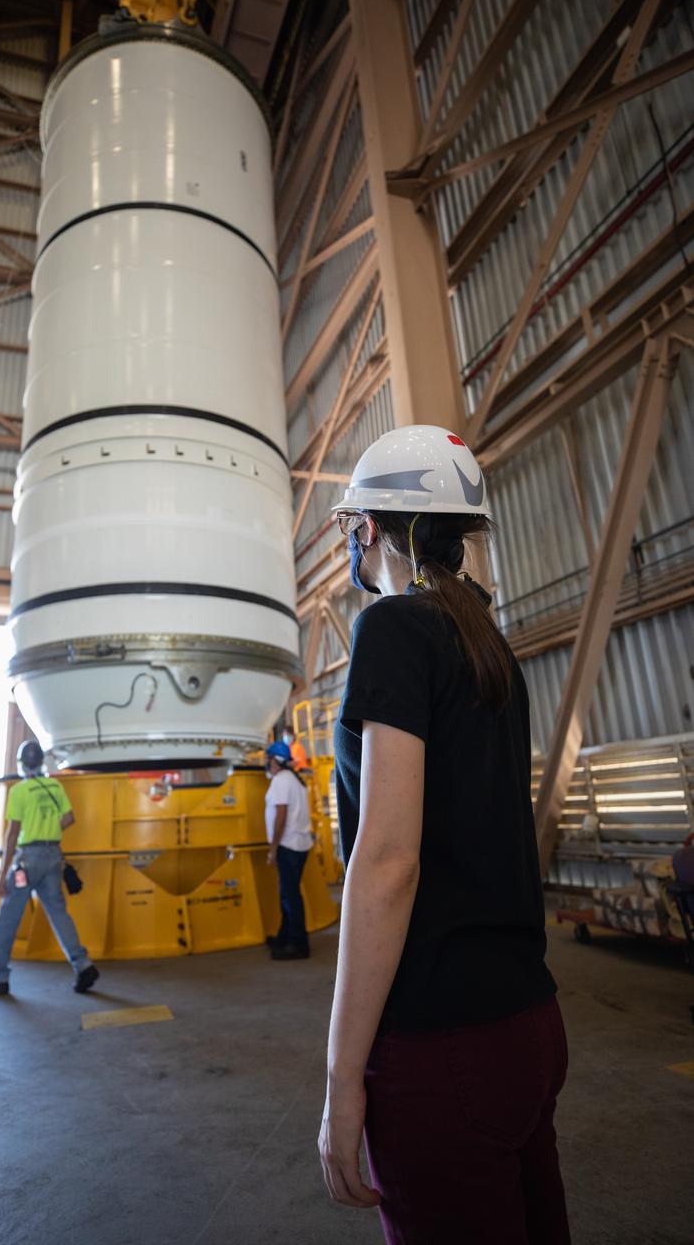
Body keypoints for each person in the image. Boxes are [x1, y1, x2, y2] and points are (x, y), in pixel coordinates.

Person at [318, 425, 569, 1244]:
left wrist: (341, 1080)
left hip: (440, 1048)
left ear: (368, 529)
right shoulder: (485, 644)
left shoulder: (393, 630)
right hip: (527, 1026)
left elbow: (387, 864)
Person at [0, 740, 99, 997]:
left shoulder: (20, 791)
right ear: (41, 762)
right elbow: (69, 818)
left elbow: (13, 832)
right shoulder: (54, 786)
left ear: (21, 764)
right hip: (53, 856)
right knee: (58, 913)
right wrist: (48, 833)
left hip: (26, 862)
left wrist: (2, 872)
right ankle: (83, 965)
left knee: (8, 917)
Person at [263, 741, 314, 960]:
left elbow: (281, 816)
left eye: (268, 759)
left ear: (274, 760)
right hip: (299, 845)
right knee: (289, 893)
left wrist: (273, 849)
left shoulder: (281, 780)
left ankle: (298, 944)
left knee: (290, 896)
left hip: (288, 845)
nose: (266, 763)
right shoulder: (294, 778)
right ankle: (284, 936)